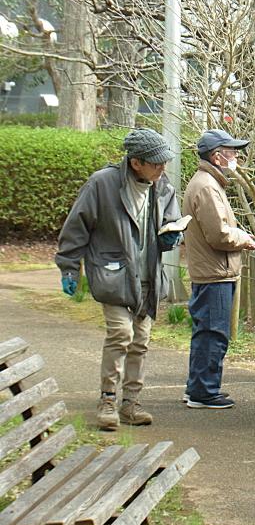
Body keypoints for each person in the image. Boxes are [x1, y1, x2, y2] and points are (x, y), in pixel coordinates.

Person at [56, 128, 182, 430]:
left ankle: (131, 403)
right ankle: (108, 400)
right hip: (112, 275)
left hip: (148, 276)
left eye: (164, 162)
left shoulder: (163, 187)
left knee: (141, 342)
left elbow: (171, 222)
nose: (162, 168)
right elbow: (77, 227)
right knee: (120, 335)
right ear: (135, 162)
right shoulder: (102, 184)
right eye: (156, 163)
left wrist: (172, 237)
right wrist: (69, 267)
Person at [183, 129, 255, 409]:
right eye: (232, 152)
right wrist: (245, 239)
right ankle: (204, 391)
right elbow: (219, 235)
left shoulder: (208, 183)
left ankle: (198, 387)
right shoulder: (207, 186)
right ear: (217, 155)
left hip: (213, 270)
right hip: (214, 271)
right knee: (214, 333)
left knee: (207, 332)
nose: (236, 157)